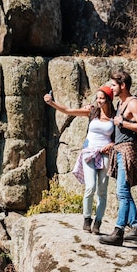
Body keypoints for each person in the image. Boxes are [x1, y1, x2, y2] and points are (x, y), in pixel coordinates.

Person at [44, 86, 115, 234]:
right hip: (89, 153)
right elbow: (68, 111)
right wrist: (52, 103)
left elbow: (120, 137)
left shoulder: (115, 117)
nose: (99, 100)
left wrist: (112, 144)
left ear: (109, 99)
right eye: (98, 97)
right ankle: (87, 219)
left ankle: (98, 222)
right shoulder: (92, 111)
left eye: (102, 98)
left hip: (105, 155)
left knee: (102, 191)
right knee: (90, 187)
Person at [98, 68, 137, 247]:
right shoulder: (121, 104)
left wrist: (124, 123)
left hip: (128, 152)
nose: (110, 88)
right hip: (120, 150)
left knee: (122, 192)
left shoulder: (133, 103)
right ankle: (135, 229)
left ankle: (118, 231)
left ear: (123, 85)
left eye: (113, 85)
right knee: (124, 191)